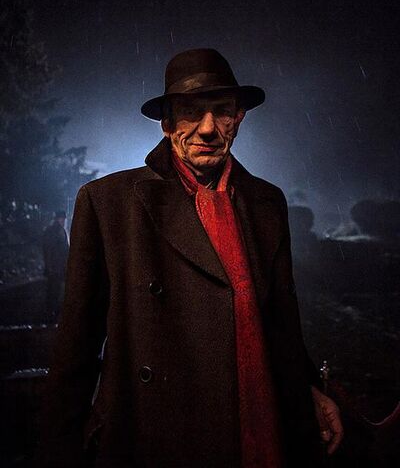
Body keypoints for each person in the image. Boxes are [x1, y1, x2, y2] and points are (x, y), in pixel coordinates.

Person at [35, 49, 343, 467]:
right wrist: (58, 450)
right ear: (167, 123)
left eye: (222, 111)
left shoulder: (267, 202)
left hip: (262, 422)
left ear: (239, 118)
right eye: (192, 112)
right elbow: (76, 348)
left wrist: (309, 390)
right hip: (157, 436)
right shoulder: (108, 203)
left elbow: (281, 324)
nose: (208, 128)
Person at [42, 209, 69, 323]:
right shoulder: (54, 231)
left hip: (58, 266)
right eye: (61, 219)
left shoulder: (59, 231)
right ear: (58, 219)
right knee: (53, 290)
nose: (63, 221)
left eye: (63, 219)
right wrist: (50, 266)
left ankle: (53, 313)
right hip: (56, 266)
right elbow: (49, 250)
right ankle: (51, 313)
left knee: (55, 290)